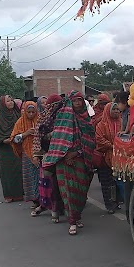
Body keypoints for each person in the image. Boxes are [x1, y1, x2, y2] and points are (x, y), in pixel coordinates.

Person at [42, 91, 95, 235]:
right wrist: (65, 155)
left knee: (81, 191)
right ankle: (72, 221)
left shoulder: (87, 120)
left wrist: (76, 153)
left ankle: (77, 217)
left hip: (81, 159)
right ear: (70, 102)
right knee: (68, 191)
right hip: (63, 161)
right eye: (75, 101)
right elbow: (58, 139)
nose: (78, 103)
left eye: (80, 100)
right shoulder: (62, 118)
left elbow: (90, 142)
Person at [33, 94, 65, 223]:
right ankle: (51, 208)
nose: (55, 108)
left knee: (61, 183)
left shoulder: (65, 117)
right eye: (53, 105)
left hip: (63, 153)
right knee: (49, 183)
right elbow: (37, 136)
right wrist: (36, 154)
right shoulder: (43, 118)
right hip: (47, 154)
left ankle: (62, 208)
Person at [0, 95, 24, 203]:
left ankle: (19, 194)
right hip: (5, 149)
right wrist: (4, 140)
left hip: (17, 147)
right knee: (7, 172)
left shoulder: (17, 114)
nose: (11, 102)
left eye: (11, 100)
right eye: (8, 101)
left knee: (18, 170)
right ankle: (8, 194)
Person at [11, 101, 42, 215]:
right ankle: (34, 200)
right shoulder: (20, 122)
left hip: (40, 153)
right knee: (30, 177)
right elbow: (14, 139)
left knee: (40, 177)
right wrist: (26, 133)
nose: (31, 114)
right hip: (27, 153)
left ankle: (42, 200)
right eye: (28, 112)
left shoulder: (40, 120)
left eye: (33, 111)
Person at [95, 102, 123, 214]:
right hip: (105, 158)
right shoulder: (101, 125)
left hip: (119, 157)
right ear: (108, 111)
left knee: (116, 181)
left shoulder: (121, 123)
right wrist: (112, 146)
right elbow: (99, 139)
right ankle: (109, 204)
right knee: (106, 183)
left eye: (117, 109)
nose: (116, 111)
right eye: (114, 109)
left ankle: (116, 202)